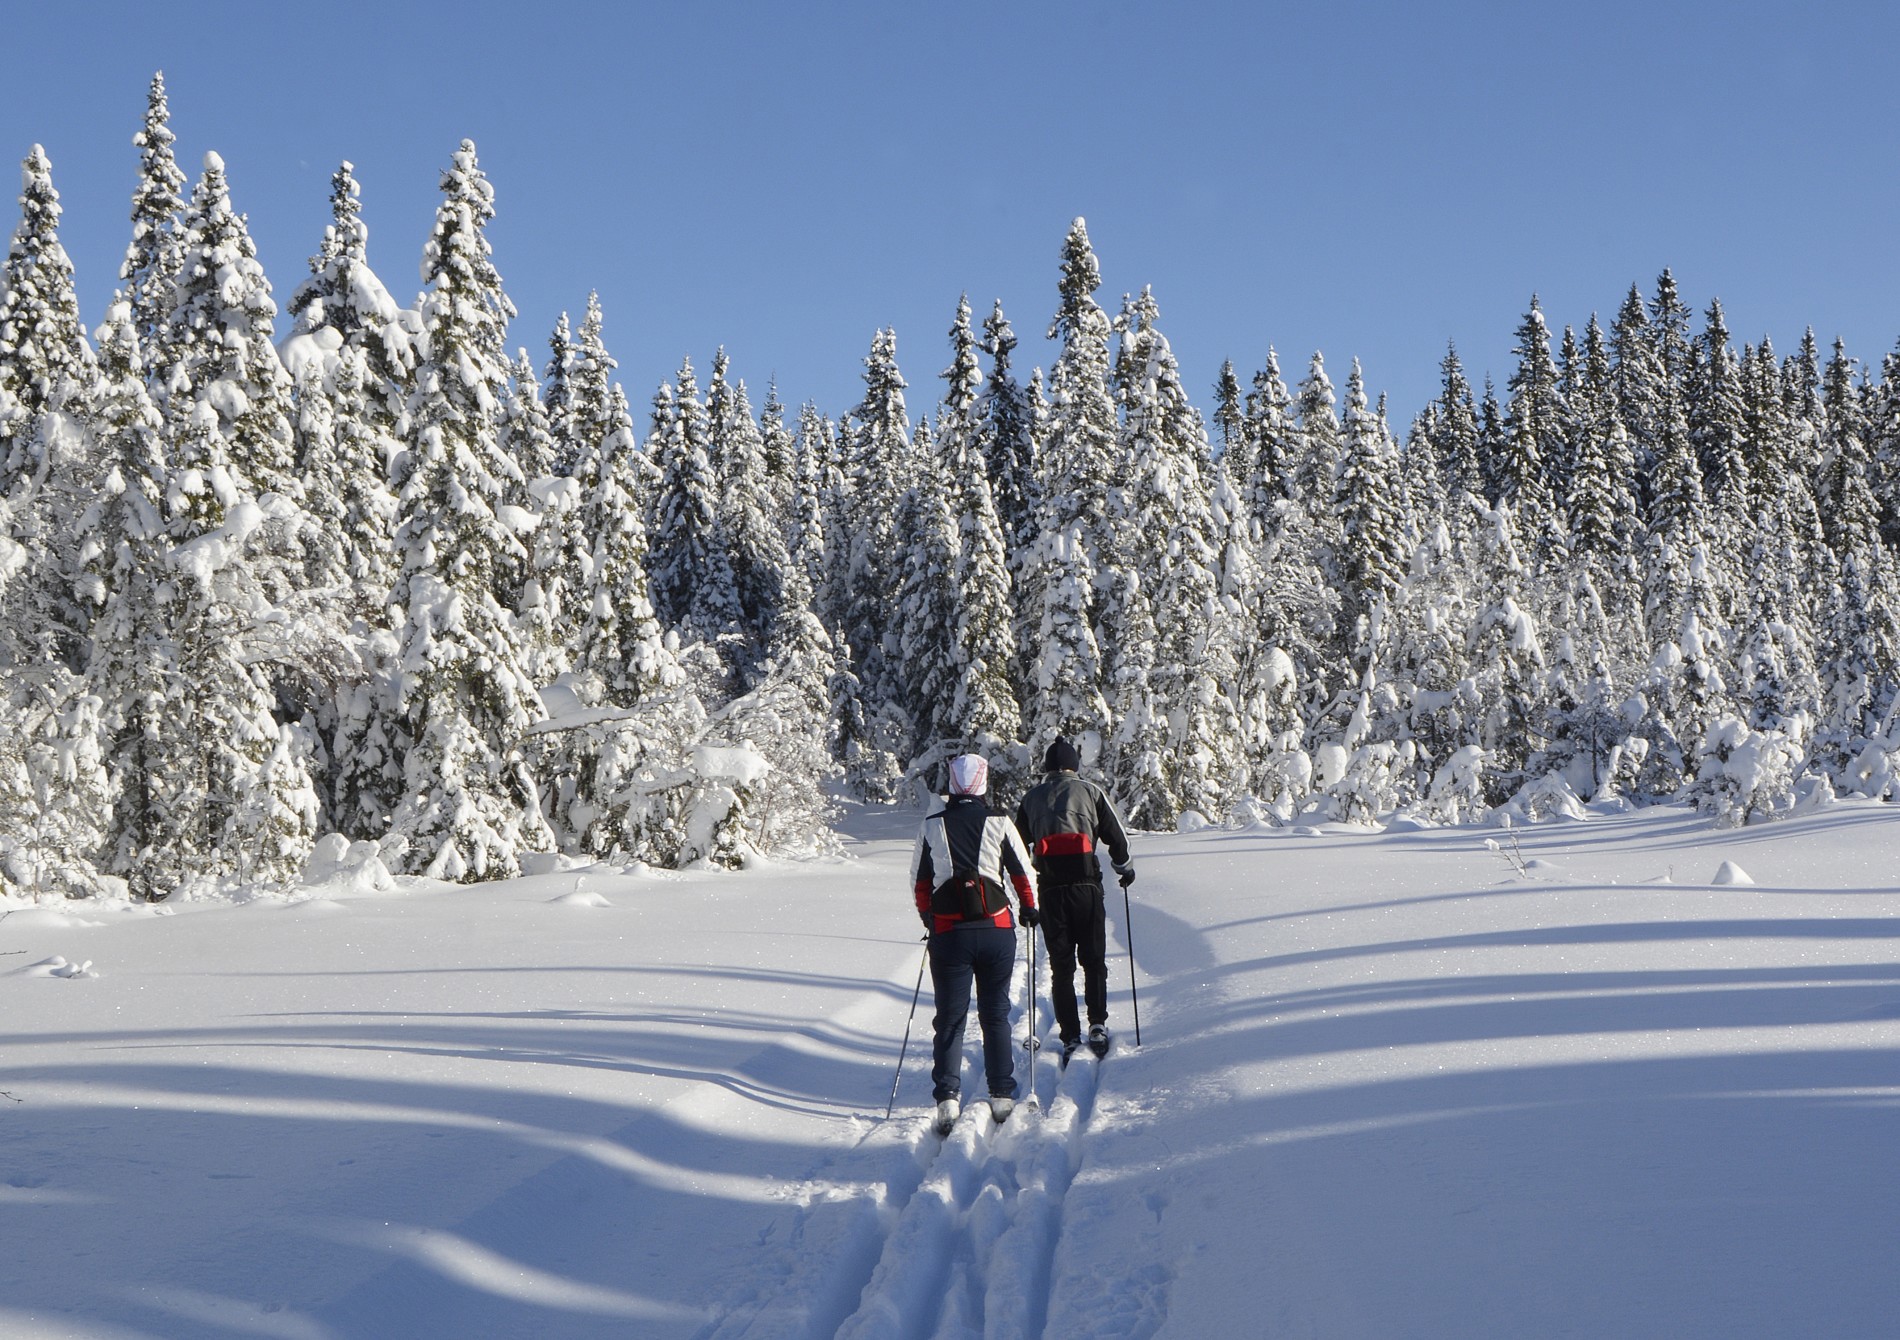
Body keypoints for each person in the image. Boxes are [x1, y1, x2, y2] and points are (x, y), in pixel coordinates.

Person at [910, 752, 1040, 1132]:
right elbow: (1023, 873)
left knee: (950, 1018)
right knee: (994, 1014)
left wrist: (929, 919)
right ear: (983, 783)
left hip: (949, 934)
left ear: (952, 784)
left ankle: (948, 1099)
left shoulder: (932, 825)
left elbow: (919, 883)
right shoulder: (1000, 822)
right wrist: (1030, 910)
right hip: (996, 930)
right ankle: (1002, 1094)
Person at [1014, 736, 1133, 1060]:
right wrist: (1124, 869)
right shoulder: (1091, 793)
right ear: (1074, 767)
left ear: (1048, 768)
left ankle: (1069, 1036)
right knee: (1093, 960)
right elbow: (1116, 838)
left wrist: (1022, 888)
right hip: (1086, 888)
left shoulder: (1031, 798)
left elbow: (1015, 848)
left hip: (1051, 890)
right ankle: (1097, 1024)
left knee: (1061, 967)